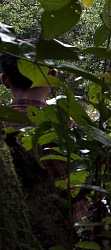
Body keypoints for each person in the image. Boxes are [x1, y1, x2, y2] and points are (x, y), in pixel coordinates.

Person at [1, 51, 89, 221]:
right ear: (53, 75)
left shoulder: (3, 127)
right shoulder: (70, 130)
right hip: (72, 236)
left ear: (5, 80)